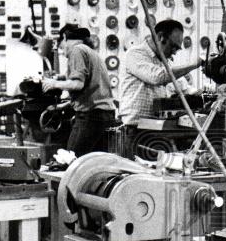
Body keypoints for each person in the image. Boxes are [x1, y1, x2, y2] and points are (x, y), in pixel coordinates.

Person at [119, 19, 206, 157]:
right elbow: (158, 77)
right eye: (173, 47)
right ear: (160, 37)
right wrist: (193, 64)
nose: (175, 52)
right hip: (137, 130)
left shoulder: (164, 61)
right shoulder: (135, 54)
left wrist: (203, 94)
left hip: (158, 130)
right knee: (136, 175)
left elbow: (183, 87)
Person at [41, 24, 116, 157]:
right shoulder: (91, 53)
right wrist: (64, 101)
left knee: (71, 160)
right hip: (104, 115)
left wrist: (54, 83)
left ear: (64, 38)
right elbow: (88, 85)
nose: (63, 53)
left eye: (62, 48)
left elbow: (78, 84)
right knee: (93, 163)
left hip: (90, 116)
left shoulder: (77, 50)